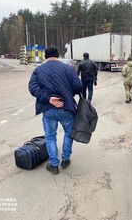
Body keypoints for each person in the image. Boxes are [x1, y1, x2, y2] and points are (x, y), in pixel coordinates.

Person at [28, 47, 83, 175]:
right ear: (58, 55)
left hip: (48, 109)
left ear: (45, 56)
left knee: (50, 136)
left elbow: (32, 88)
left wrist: (48, 99)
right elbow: (79, 86)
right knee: (69, 133)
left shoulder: (39, 70)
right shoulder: (68, 69)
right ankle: (65, 159)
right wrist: (68, 93)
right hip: (66, 107)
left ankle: (53, 165)